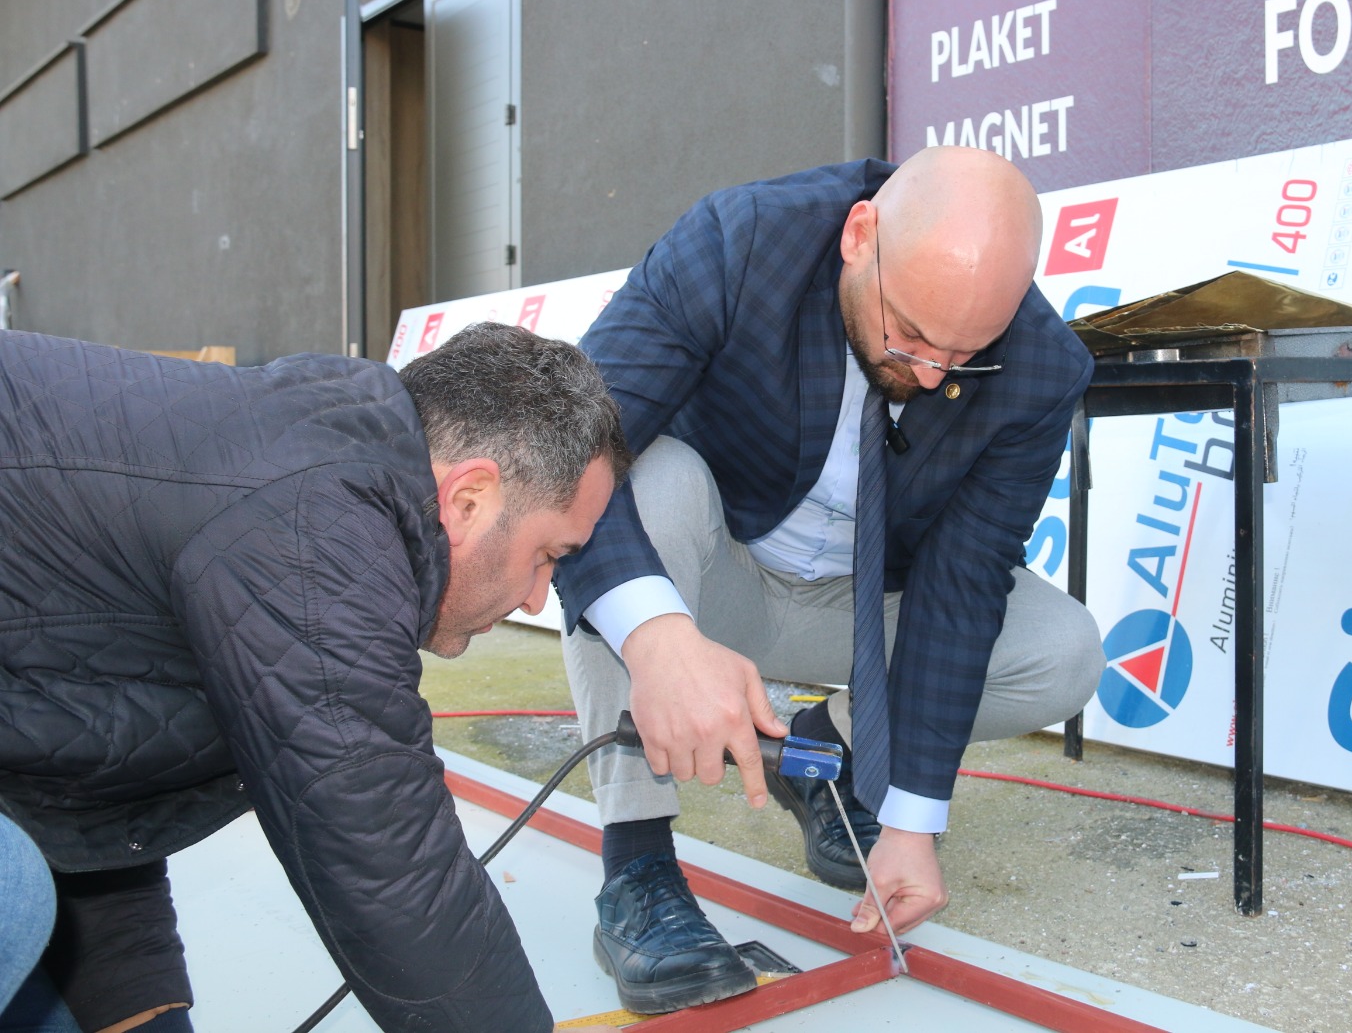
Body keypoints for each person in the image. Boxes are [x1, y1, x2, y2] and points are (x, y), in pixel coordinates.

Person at [554, 145, 1106, 1014]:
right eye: (912, 334)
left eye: (964, 356)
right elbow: (574, 445)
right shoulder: (743, 241)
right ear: (860, 235)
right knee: (634, 478)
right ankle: (638, 867)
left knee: (1061, 651)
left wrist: (917, 821)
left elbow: (964, 583)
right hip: (712, 572)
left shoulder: (1043, 366)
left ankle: (826, 754)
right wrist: (658, 638)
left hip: (859, 601)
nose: (930, 376)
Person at [0, 323, 631, 1032]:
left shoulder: (315, 462)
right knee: (14, 894)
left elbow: (86, 779)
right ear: (467, 499)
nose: (539, 596)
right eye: (548, 553)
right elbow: (391, 868)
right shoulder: (320, 525)